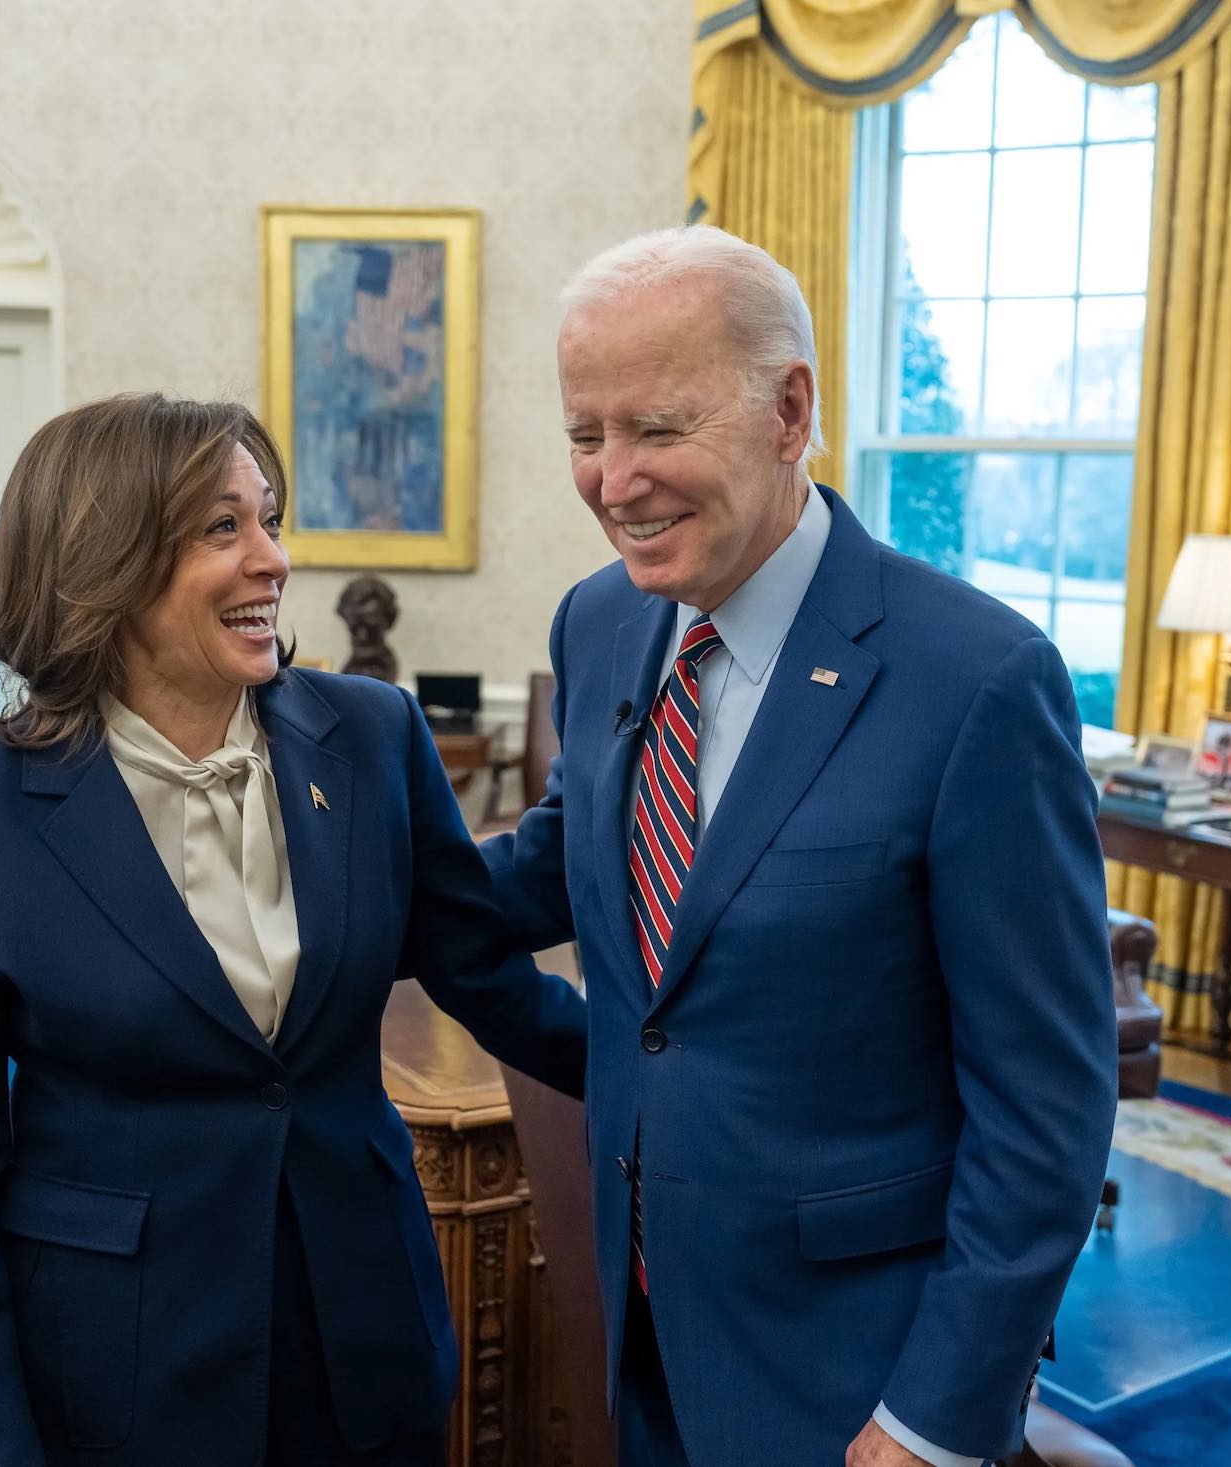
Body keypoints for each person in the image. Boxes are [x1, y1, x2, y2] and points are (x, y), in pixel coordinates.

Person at [484, 227, 1116, 1466]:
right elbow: (575, 856)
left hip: (857, 1376)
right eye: (583, 435)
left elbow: (1045, 1111)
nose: (613, 482)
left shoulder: (978, 682)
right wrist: (317, 857)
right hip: (648, 1323)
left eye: (657, 430)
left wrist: (933, 1420)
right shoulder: (604, 620)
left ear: (789, 411)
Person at [0, 393, 586, 1467]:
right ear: (100, 559)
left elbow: (479, 964)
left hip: (368, 1338)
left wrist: (684, 1077)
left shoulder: (372, 736)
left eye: (270, 518)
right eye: (223, 527)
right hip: (124, 1365)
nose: (273, 559)